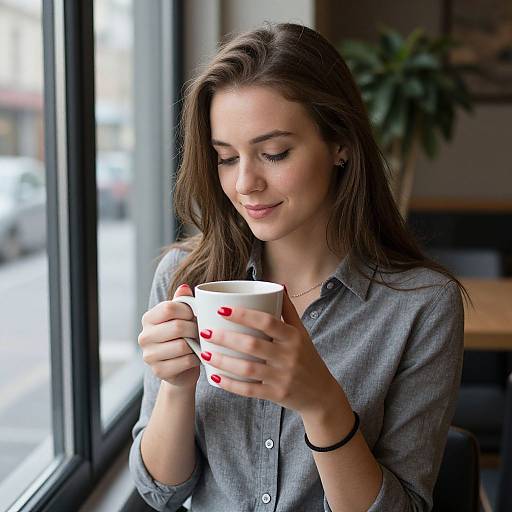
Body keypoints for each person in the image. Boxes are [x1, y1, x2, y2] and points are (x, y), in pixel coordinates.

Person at [129, 22, 468, 512]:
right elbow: (161, 491)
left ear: (340, 145)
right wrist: (178, 388)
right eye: (225, 158)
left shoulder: (421, 306)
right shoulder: (186, 277)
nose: (245, 184)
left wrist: (321, 403)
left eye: (274, 153)